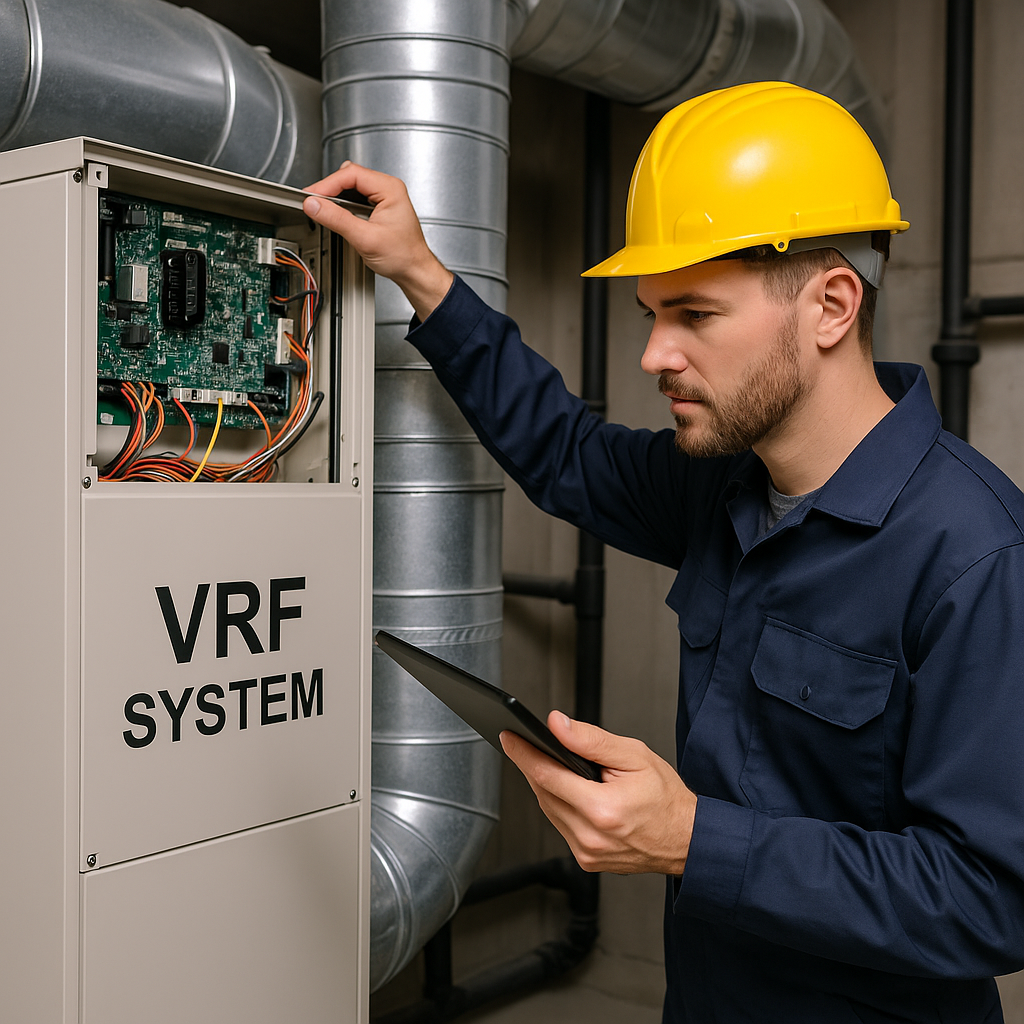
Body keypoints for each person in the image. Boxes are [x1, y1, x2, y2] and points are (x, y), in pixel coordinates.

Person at [303, 82, 1024, 1023]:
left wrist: (692, 838)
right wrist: (423, 276)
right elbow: (562, 452)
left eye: (695, 315)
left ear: (833, 305)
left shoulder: (975, 556)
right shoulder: (724, 481)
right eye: (651, 315)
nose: (654, 355)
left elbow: (989, 899)